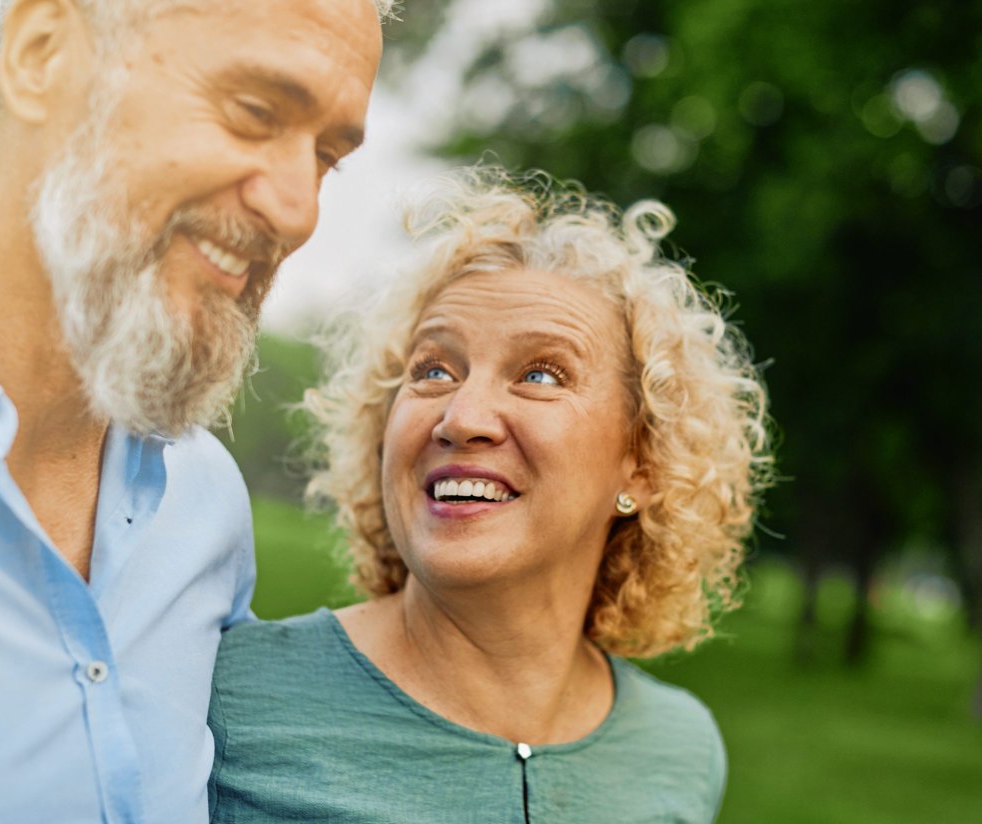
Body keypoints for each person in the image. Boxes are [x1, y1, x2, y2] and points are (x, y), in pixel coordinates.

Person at [0, 0, 386, 820]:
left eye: (328, 156)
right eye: (256, 112)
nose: (299, 211)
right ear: (42, 55)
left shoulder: (205, 498)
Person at [208, 167, 774, 823]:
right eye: (433, 370)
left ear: (642, 464)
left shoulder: (681, 750)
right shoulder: (226, 699)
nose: (461, 416)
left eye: (540, 373)